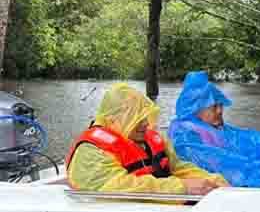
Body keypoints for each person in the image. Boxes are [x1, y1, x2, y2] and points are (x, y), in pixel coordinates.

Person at [66, 83, 228, 195]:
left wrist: (211, 180)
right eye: (137, 118)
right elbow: (115, 188)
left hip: (160, 209)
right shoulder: (91, 152)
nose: (146, 124)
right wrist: (181, 187)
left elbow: (178, 167)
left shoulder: (148, 140)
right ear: (114, 119)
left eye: (145, 117)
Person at [167, 71, 260, 188]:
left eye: (220, 105)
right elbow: (221, 164)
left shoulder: (217, 128)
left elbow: (251, 138)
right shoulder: (184, 137)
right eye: (214, 107)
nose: (220, 111)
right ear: (195, 110)